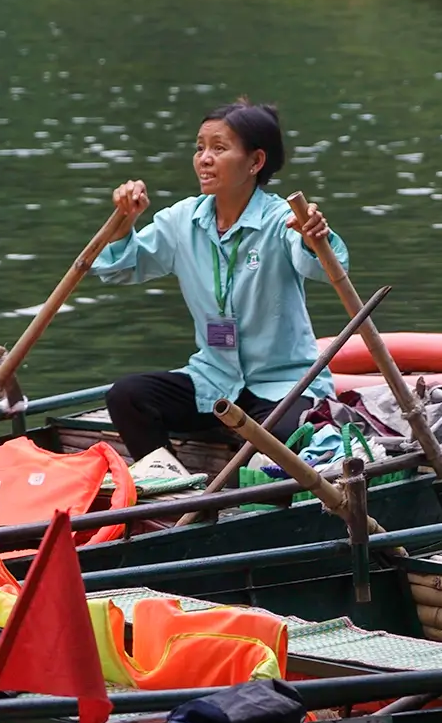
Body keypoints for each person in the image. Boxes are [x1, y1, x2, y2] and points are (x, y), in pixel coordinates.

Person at [91, 99, 348, 477]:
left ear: (256, 162)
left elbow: (328, 269)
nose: (204, 159)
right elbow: (119, 268)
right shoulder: (182, 221)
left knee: (284, 437)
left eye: (219, 148)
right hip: (213, 380)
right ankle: (174, 485)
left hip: (282, 384)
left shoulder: (282, 220)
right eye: (200, 148)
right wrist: (124, 222)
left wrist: (315, 239)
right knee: (127, 396)